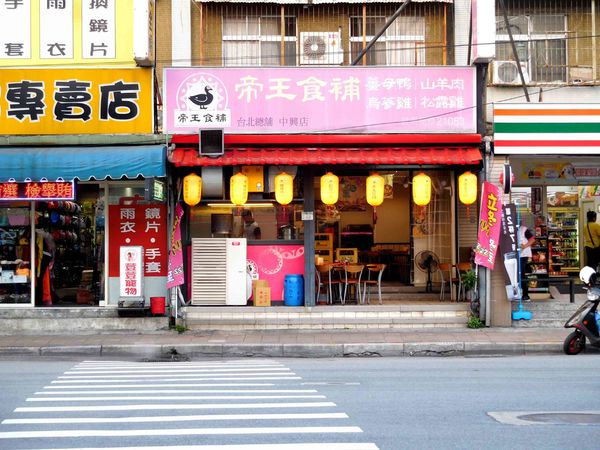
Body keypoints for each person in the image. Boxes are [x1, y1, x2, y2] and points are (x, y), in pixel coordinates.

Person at [519, 221, 536, 301]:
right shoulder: (511, 230)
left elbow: (532, 240)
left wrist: (524, 246)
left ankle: (525, 295)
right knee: (517, 274)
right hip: (515, 255)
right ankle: (518, 294)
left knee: (521, 273)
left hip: (523, 255)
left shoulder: (524, 229)